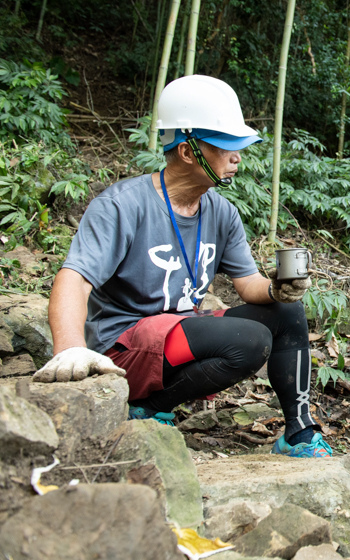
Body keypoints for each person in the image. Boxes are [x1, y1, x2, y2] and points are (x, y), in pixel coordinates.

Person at [33, 75, 333, 459]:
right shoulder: (123, 205)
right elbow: (74, 278)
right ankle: (150, 407)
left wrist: (277, 290)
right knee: (249, 340)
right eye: (227, 148)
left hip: (179, 334)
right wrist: (70, 349)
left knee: (287, 313)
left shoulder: (221, 213)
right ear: (190, 152)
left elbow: (248, 285)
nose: (237, 157)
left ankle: (299, 433)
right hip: (126, 345)